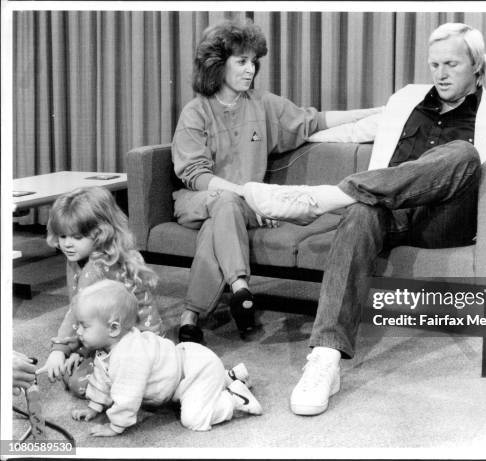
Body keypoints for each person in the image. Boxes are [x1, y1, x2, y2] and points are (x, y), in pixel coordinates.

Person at [242, 22, 486, 416]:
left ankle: (327, 198)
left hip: (447, 220)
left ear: (477, 66)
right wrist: (283, 141)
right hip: (390, 213)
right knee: (359, 210)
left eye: (451, 64)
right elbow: (356, 130)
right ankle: (325, 358)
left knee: (463, 154)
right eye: (434, 64)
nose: (440, 74)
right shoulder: (407, 100)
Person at [171, 19, 381, 343]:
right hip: (199, 200)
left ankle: (192, 316)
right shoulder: (196, 112)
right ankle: (239, 286)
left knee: (219, 223)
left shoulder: (263, 104)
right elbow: (196, 176)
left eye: (253, 62)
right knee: (224, 202)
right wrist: (244, 191)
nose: (250, 69)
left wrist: (378, 110)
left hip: (242, 208)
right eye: (241, 61)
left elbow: (313, 120)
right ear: (217, 64)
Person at [70, 280, 262, 436]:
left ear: (113, 329)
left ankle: (235, 398)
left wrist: (115, 426)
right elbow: (103, 378)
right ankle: (229, 376)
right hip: (188, 362)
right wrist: (94, 407)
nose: (78, 332)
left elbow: (127, 396)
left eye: (84, 326)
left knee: (194, 420)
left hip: (194, 372)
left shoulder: (129, 356)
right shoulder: (108, 348)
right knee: (201, 393)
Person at [40, 186, 165, 397]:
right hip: (116, 330)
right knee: (75, 367)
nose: (67, 244)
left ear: (100, 234)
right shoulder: (82, 256)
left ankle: (137, 385)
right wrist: (81, 349)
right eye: (62, 236)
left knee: (79, 383)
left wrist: (60, 350)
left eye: (77, 237)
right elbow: (88, 312)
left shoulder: (96, 267)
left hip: (137, 343)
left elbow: (77, 310)